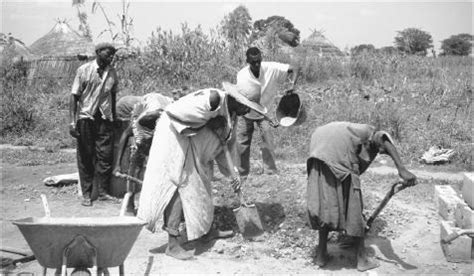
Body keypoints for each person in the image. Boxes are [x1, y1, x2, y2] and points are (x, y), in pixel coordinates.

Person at [137, 82, 267, 260]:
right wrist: (207, 121)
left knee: (203, 186)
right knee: (179, 184)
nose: (248, 111)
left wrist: (233, 173)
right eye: (247, 106)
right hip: (176, 141)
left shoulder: (233, 115)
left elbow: (226, 147)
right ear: (237, 99)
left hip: (198, 149)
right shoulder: (212, 99)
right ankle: (173, 244)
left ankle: (205, 231)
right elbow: (174, 113)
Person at [306, 122, 417, 271]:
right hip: (336, 157)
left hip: (317, 158)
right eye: (381, 151)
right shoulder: (369, 132)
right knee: (354, 208)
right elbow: (383, 138)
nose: (379, 153)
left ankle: (321, 255)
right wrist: (402, 170)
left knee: (325, 207)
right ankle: (362, 259)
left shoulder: (351, 132)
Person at [69, 42, 119, 207]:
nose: (111, 57)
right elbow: (74, 97)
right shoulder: (84, 70)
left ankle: (104, 192)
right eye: (108, 53)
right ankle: (87, 194)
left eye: (113, 54)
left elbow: (112, 96)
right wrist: (72, 122)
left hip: (104, 119)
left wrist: (114, 117)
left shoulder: (112, 73)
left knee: (105, 157)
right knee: (85, 157)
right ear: (98, 52)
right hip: (86, 118)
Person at [236, 46, 299, 177]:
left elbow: (295, 67)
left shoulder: (272, 68)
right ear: (247, 61)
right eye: (253, 62)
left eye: (258, 61)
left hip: (264, 112)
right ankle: (242, 174)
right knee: (242, 144)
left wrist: (292, 85)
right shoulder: (242, 76)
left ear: (261, 59)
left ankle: (270, 173)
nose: (257, 64)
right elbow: (242, 100)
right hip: (246, 111)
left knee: (267, 140)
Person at [112, 92, 176, 215]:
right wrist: (117, 164)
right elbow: (125, 135)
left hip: (160, 105)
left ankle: (163, 203)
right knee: (136, 161)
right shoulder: (138, 122)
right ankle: (130, 203)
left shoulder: (166, 124)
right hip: (148, 105)